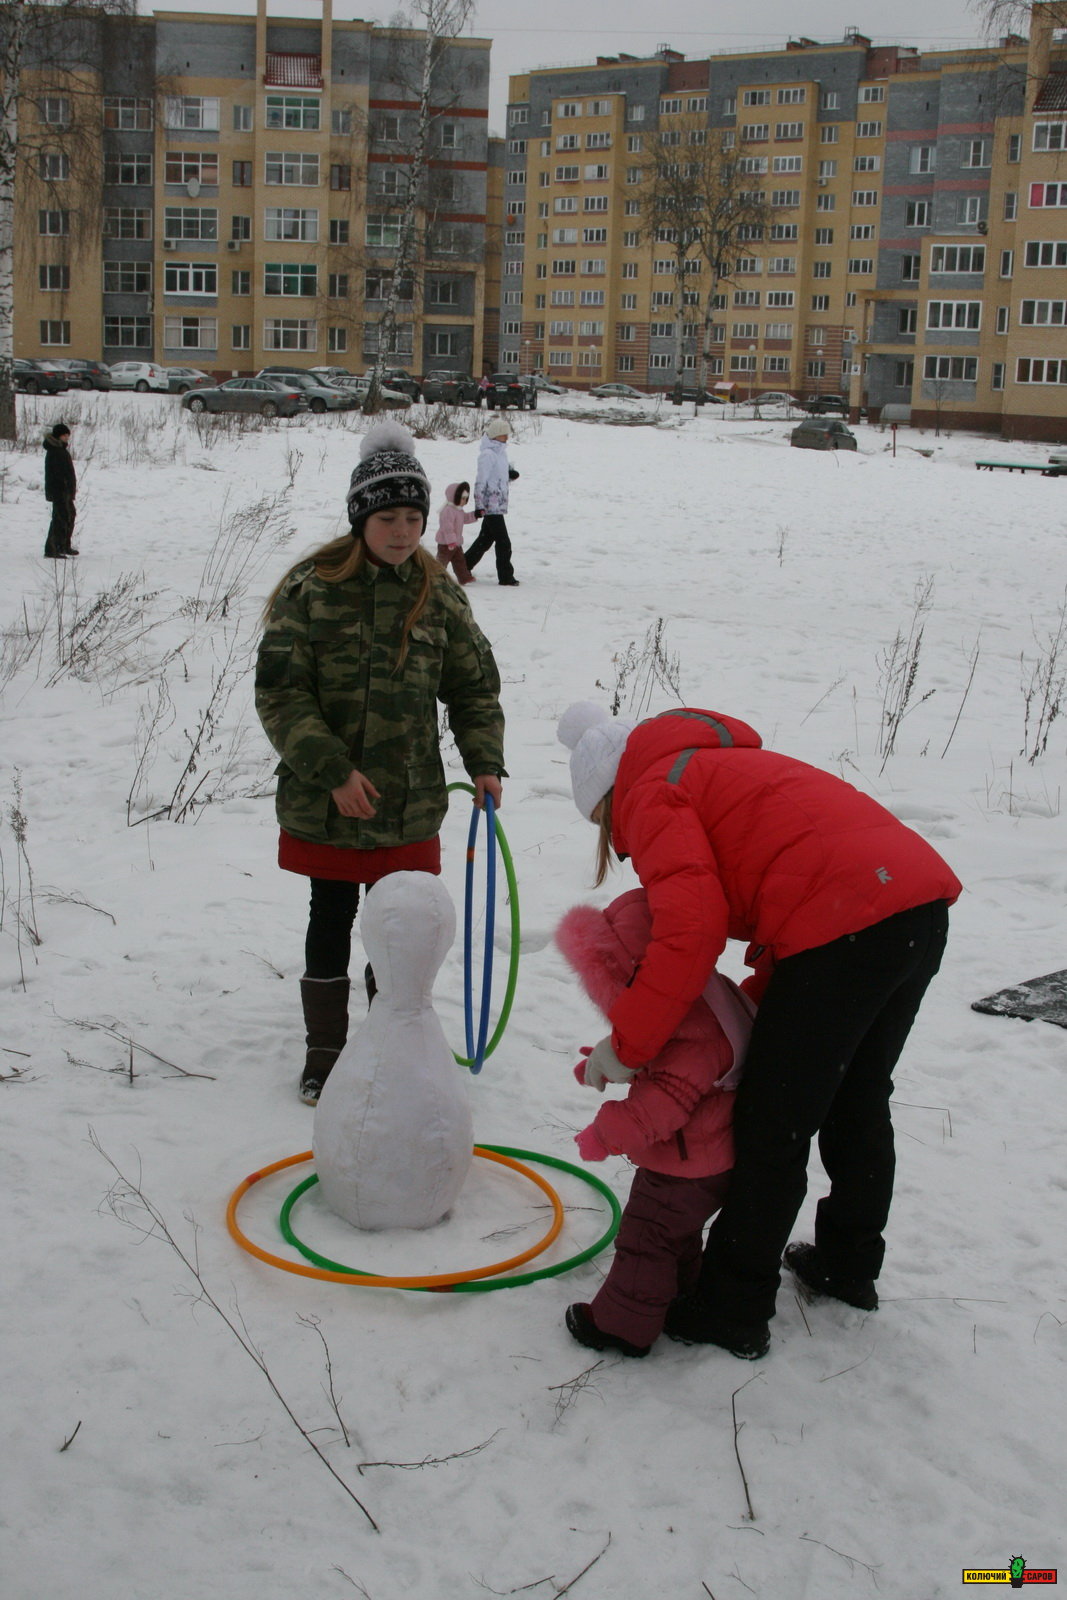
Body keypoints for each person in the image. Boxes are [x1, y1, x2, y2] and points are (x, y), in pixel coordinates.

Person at [557, 700, 961, 1359]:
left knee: (772, 1122)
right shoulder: (715, 767)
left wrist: (629, 1046)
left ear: (605, 797)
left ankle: (731, 1308)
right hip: (912, 907)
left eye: (604, 824)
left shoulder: (652, 792)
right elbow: (796, 885)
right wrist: (746, 1022)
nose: (618, 842)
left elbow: (689, 933)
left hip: (846, 924)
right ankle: (847, 1264)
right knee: (857, 1096)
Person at [255, 421, 506, 1105]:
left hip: (407, 800)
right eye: (388, 518)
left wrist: (485, 760)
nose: (402, 532)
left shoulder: (437, 593)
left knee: (399, 927)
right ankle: (325, 1052)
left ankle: (390, 1044)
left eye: (414, 519)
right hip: (328, 801)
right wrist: (332, 770)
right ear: (360, 518)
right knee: (331, 915)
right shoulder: (312, 588)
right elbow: (281, 692)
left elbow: (472, 686)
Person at [555, 887, 754, 1357]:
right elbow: (662, 1050)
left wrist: (605, 1134)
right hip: (704, 1159)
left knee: (646, 1238)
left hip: (687, 1166)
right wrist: (615, 1060)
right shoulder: (700, 996)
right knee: (673, 1236)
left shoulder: (693, 1035)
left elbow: (661, 1105)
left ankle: (622, 1327)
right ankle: (677, 1295)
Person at [466, 418, 520, 586]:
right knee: (503, 542)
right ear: (496, 435)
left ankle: (463, 565)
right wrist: (479, 505)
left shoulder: (501, 453)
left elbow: (497, 477)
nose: (507, 438)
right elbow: (481, 481)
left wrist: (510, 475)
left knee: (485, 540)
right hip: (490, 506)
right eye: (504, 435)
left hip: (499, 504)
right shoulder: (487, 455)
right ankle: (506, 577)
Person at [42, 422, 78, 558]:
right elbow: (56, 474)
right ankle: (52, 549)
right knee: (60, 518)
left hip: (65, 491)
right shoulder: (55, 451)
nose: (67, 437)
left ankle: (63, 546)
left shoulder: (61, 450)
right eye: (65, 435)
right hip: (59, 491)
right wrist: (62, 488)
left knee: (69, 515)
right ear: (58, 436)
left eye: (67, 435)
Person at [433, 481, 478, 585]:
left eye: (466, 499)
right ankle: (434, 577)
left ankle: (464, 577)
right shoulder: (448, 511)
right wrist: (451, 541)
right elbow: (447, 528)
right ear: (454, 497)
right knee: (441, 562)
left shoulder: (459, 510)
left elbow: (465, 518)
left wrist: (475, 515)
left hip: (456, 544)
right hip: (446, 544)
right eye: (462, 498)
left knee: (460, 561)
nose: (464, 501)